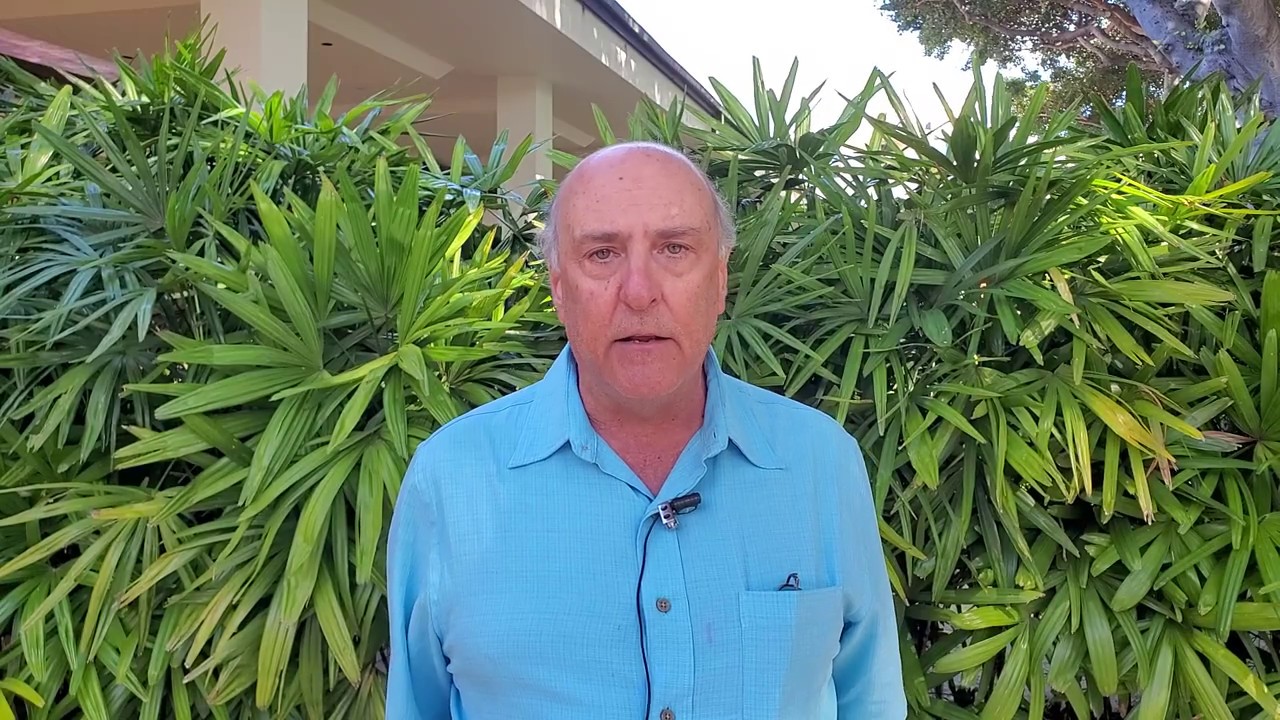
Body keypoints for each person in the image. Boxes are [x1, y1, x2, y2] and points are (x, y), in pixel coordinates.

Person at [384, 141, 906, 719]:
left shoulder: (820, 463)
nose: (638, 291)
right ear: (558, 287)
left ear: (720, 280)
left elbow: (871, 701)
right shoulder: (451, 479)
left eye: (674, 248)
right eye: (602, 254)